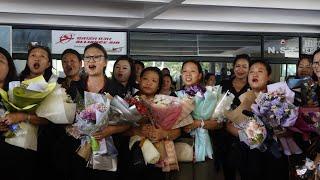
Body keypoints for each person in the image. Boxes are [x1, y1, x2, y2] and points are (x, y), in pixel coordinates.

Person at [227, 60, 289, 180]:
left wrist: (276, 130)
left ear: (268, 77)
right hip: (248, 156)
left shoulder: (278, 98)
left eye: (260, 71)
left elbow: (287, 128)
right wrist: (246, 133)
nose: (254, 74)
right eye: (251, 72)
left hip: (273, 156)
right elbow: (230, 126)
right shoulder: (240, 100)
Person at [1, 46, 53, 179]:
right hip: (11, 141)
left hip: (39, 143)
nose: (37, 58)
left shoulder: (52, 86)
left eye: (42, 56)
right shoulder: (14, 84)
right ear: (27, 61)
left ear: (48, 63)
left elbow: (52, 119)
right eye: (33, 55)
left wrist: (23, 116)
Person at [129, 67, 181, 180]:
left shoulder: (166, 103)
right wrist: (137, 131)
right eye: (145, 79)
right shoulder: (130, 101)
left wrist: (163, 133)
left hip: (159, 154)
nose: (148, 83)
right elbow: (121, 129)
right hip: (133, 155)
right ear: (139, 80)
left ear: (159, 85)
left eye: (154, 81)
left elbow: (178, 131)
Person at [172, 60, 220, 180]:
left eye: (192, 71)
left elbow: (219, 124)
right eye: (185, 71)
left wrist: (198, 123)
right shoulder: (174, 96)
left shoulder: (210, 95)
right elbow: (169, 123)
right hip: (183, 145)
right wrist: (185, 124)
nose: (188, 74)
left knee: (203, 174)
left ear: (199, 75)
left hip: (205, 143)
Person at [213, 54, 251, 180]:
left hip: (245, 134)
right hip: (225, 134)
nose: (240, 69)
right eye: (237, 66)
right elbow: (215, 106)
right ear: (233, 68)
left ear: (249, 68)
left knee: (246, 170)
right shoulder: (224, 84)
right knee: (228, 171)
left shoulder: (252, 87)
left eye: (244, 66)